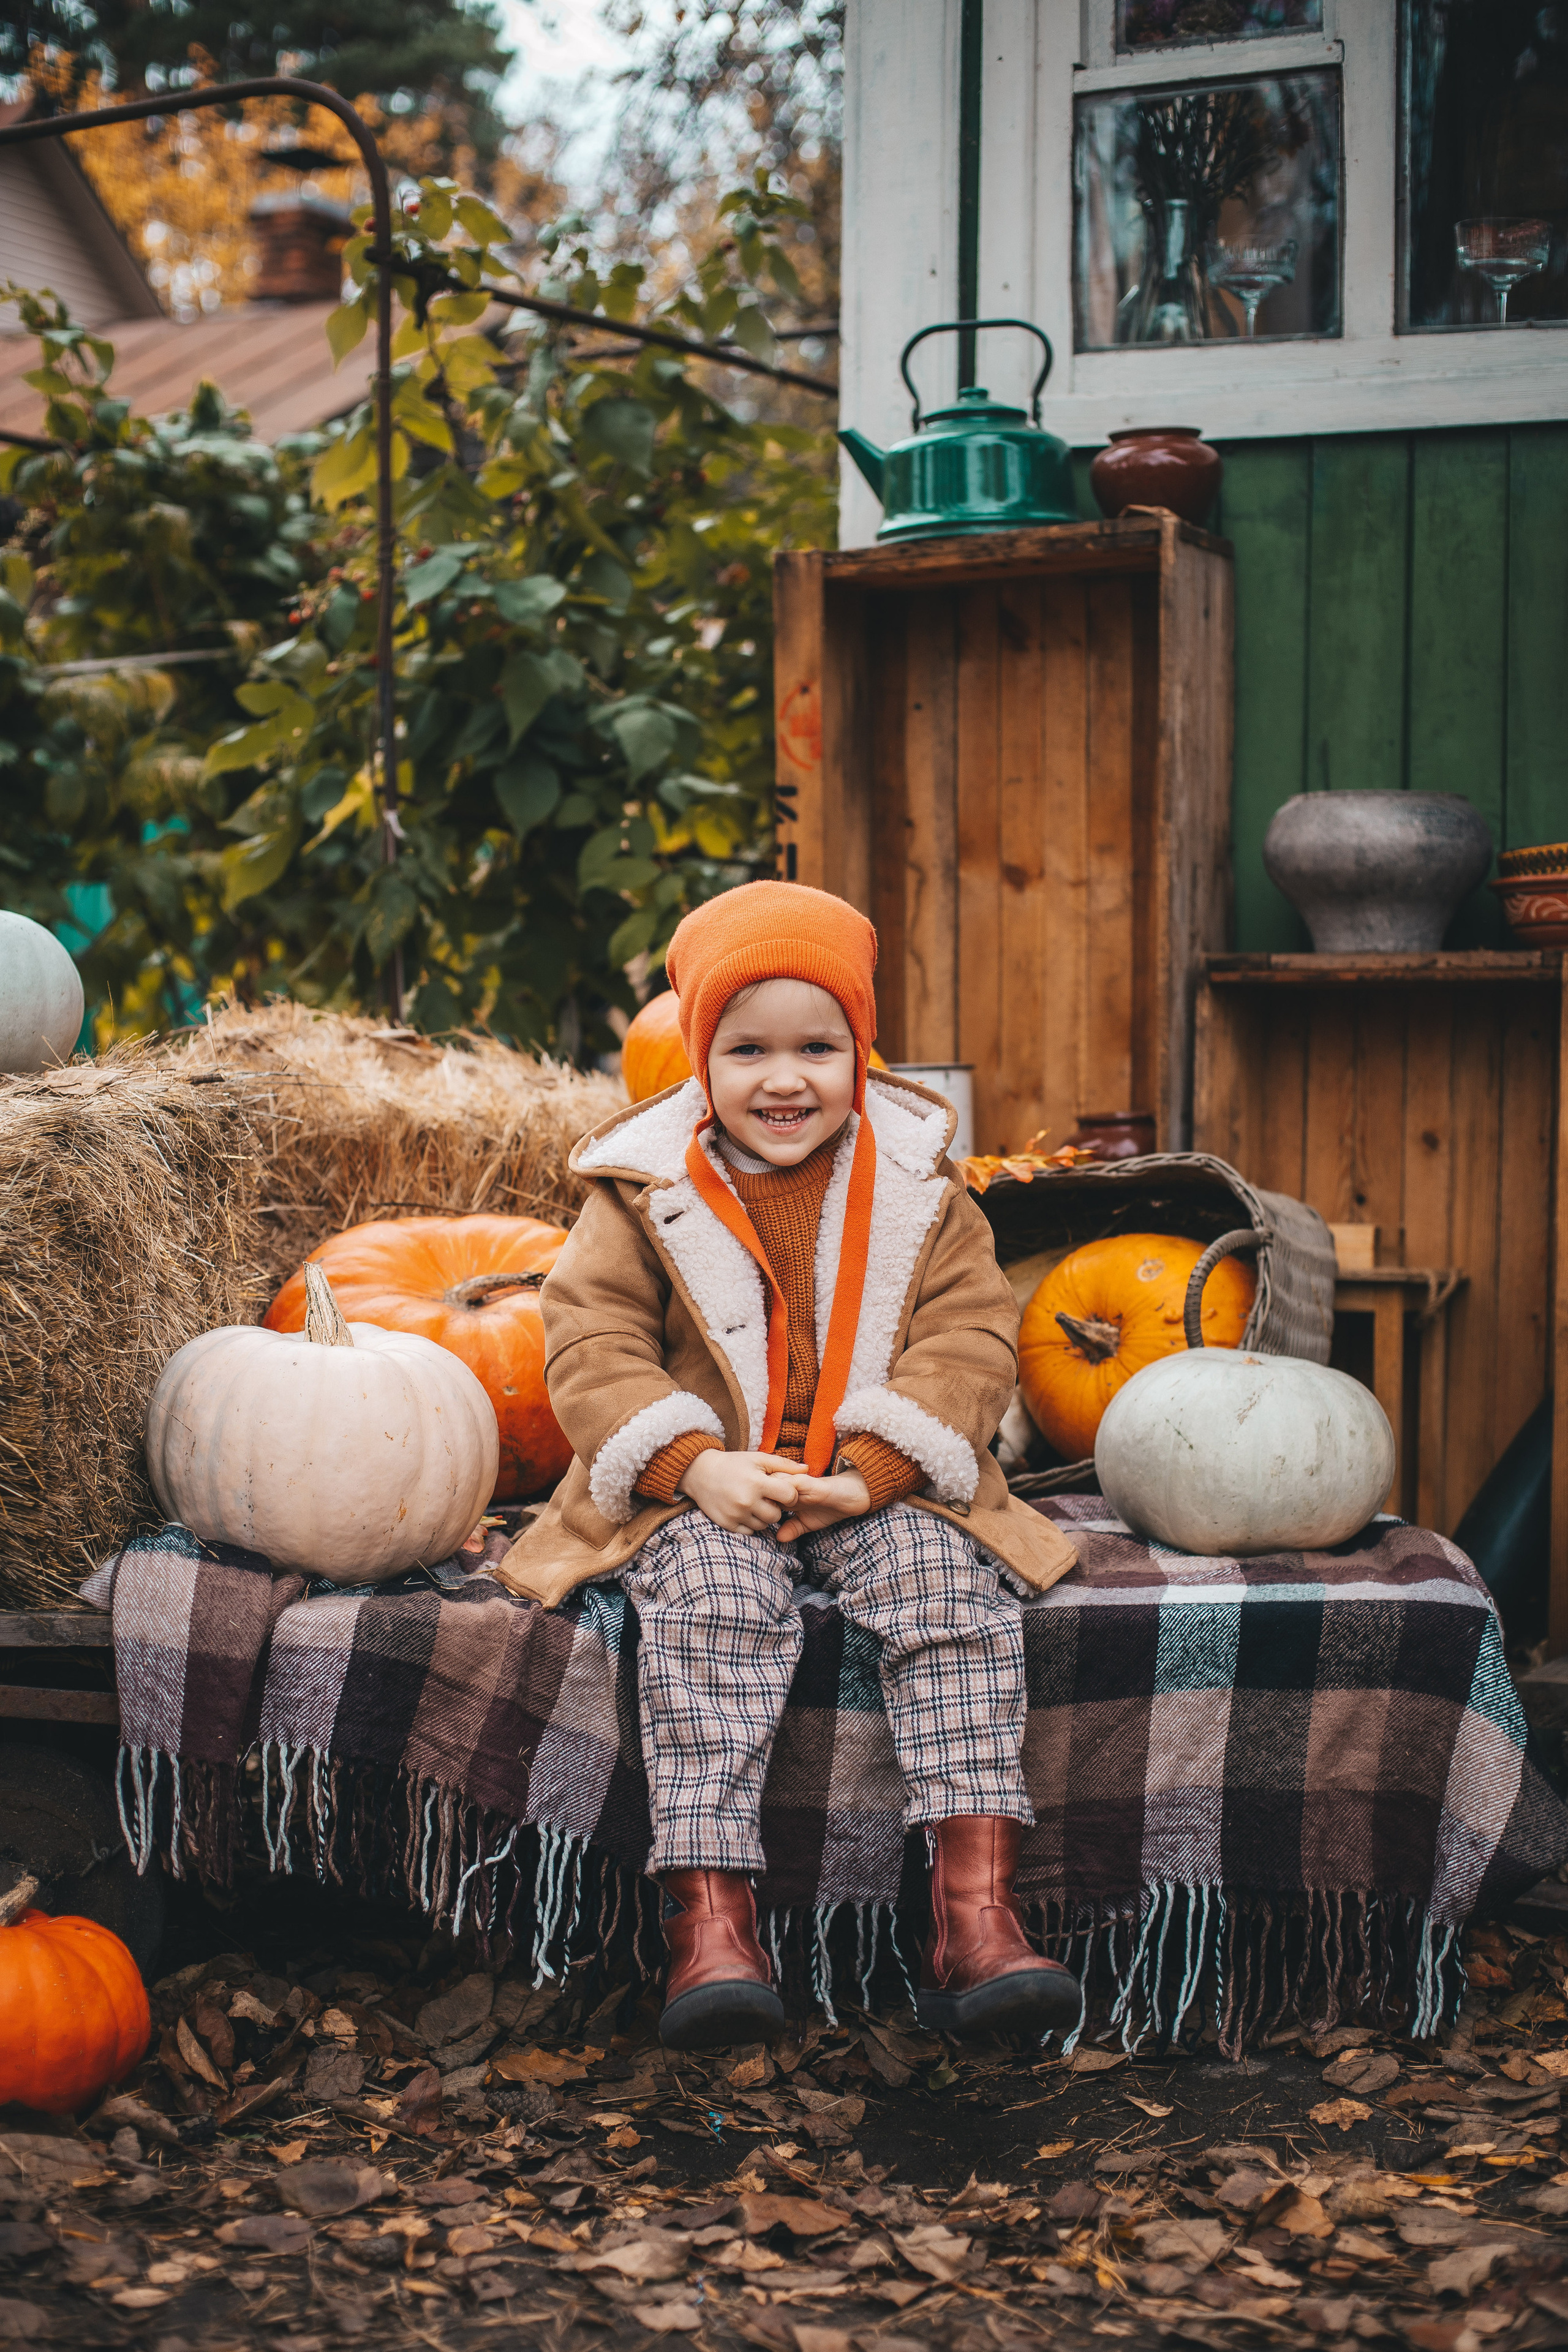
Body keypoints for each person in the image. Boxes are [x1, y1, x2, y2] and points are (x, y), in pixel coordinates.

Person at [498, 881, 1080, 2049]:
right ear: (697, 1059)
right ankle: (711, 1924)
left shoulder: (924, 1191)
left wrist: (878, 1467)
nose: (785, 1078)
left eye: (819, 1047)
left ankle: (975, 1921)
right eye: (747, 1048)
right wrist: (690, 1463)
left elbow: (968, 1341)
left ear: (861, 1053)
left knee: (950, 1594)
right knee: (714, 1604)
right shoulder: (642, 1194)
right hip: (715, 1484)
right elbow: (592, 1344)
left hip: (872, 1481)